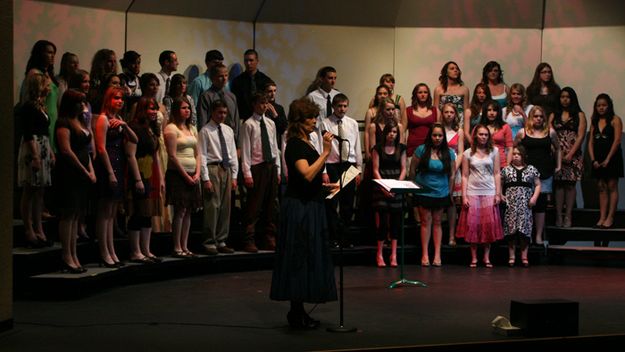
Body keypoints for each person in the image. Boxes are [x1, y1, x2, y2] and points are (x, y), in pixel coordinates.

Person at [270, 98, 338, 329]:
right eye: (310, 118)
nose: (314, 122)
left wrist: (328, 187)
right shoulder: (295, 145)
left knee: (307, 257)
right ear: (299, 121)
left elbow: (311, 180)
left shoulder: (307, 143)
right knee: (298, 257)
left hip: (311, 204)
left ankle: (299, 311)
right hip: (300, 208)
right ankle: (295, 312)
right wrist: (326, 153)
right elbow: (306, 174)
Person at [93, 86, 138, 267]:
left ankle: (111, 250)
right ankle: (104, 252)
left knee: (112, 213)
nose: (120, 101)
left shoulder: (118, 119)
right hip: (107, 167)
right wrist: (110, 172)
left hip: (119, 165)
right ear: (109, 99)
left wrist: (125, 125)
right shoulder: (103, 119)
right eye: (116, 98)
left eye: (121, 99)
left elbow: (135, 140)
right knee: (105, 212)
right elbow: (101, 148)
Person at [54, 89, 95, 273]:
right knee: (68, 214)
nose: (83, 105)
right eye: (79, 102)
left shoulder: (79, 121)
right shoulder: (63, 122)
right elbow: (66, 150)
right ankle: (66, 255)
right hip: (70, 172)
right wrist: (84, 171)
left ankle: (74, 254)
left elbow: (87, 150)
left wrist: (91, 170)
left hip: (83, 171)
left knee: (76, 214)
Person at [456, 125, 503, 267]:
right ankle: (474, 257)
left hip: (489, 191)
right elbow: (464, 175)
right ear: (475, 135)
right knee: (473, 226)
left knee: (487, 226)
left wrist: (498, 193)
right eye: (480, 134)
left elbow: (497, 173)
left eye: (485, 135)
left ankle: (486, 257)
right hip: (473, 192)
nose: (483, 137)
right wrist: (463, 196)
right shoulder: (468, 153)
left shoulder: (494, 151)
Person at [17, 72, 55, 248]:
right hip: (33, 147)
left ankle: (39, 228)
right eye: (46, 85)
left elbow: (45, 131)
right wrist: (34, 155)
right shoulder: (28, 108)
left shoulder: (42, 106)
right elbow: (28, 133)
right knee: (30, 189)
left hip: (44, 146)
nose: (49, 88)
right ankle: (29, 229)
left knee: (40, 191)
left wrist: (51, 153)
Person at [410, 123, 456, 267]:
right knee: (425, 221)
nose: (437, 138)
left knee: (437, 222)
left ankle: (437, 255)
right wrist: (412, 189)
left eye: (440, 135)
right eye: (434, 135)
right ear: (430, 136)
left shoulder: (449, 152)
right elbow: (412, 170)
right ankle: (425, 255)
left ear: (444, 137)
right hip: (423, 190)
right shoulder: (421, 150)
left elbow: (453, 174)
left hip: (441, 191)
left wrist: (449, 192)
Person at [240, 93, 281, 252]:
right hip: (257, 167)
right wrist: (247, 173)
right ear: (254, 105)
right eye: (261, 103)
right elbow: (246, 150)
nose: (264, 106)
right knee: (254, 205)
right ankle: (249, 238)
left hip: (271, 166)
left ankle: (269, 237)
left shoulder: (270, 123)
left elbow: (274, 146)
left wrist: (277, 168)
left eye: (266, 103)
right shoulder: (248, 124)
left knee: (272, 204)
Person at [126, 97, 164, 264]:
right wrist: (137, 179)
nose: (154, 111)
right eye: (151, 108)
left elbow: (156, 155)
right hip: (140, 172)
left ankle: (146, 250)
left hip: (151, 173)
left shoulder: (152, 128)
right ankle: (136, 251)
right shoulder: (135, 128)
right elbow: (130, 155)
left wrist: (161, 178)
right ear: (142, 110)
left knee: (147, 213)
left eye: (155, 108)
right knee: (138, 212)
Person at [321, 94, 362, 248]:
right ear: (333, 106)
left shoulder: (352, 123)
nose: (342, 109)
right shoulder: (325, 123)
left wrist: (358, 168)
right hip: (332, 165)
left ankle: (345, 237)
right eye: (339, 106)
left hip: (348, 165)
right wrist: (323, 170)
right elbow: (322, 148)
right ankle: (333, 238)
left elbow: (357, 145)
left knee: (348, 203)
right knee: (332, 202)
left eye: (345, 106)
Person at [515, 106, 561, 245]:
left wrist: (558, 165)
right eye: (536, 116)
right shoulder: (523, 132)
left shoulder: (550, 132)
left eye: (541, 116)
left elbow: (558, 148)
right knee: (525, 204)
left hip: (544, 173)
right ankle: (525, 234)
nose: (538, 119)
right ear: (531, 118)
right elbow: (514, 147)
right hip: (526, 173)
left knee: (540, 204)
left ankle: (539, 235)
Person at [198, 100, 238, 255]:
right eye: (219, 112)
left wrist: (234, 175)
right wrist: (205, 178)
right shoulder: (205, 131)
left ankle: (222, 240)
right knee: (212, 206)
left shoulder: (227, 130)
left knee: (225, 207)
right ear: (213, 112)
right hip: (213, 167)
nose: (222, 116)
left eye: (225, 113)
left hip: (225, 168)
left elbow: (233, 153)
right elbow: (202, 154)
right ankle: (209, 241)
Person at [164, 97, 202, 258]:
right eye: (183, 108)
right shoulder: (171, 129)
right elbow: (172, 156)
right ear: (175, 110)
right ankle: (177, 247)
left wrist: (197, 173)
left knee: (188, 211)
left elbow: (198, 153)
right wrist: (186, 176)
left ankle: (185, 246)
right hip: (178, 175)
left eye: (188, 108)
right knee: (180, 210)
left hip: (192, 174)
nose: (187, 110)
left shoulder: (192, 128)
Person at [550, 87, 587, 227]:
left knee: (570, 186)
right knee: (559, 186)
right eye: (562, 97)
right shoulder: (554, 114)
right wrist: (558, 152)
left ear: (572, 99)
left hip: (574, 155)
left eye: (568, 97)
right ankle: (559, 216)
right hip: (557, 154)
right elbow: (550, 133)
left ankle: (568, 216)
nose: (565, 99)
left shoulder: (579, 115)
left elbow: (581, 135)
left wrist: (571, 153)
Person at [372, 120, 406, 267]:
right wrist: (385, 187)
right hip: (382, 188)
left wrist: (397, 186)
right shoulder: (378, 148)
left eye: (394, 132)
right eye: (389, 132)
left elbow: (404, 168)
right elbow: (375, 169)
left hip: (396, 187)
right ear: (385, 133)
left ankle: (393, 255)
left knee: (396, 223)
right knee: (383, 224)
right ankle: (379, 254)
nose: (392, 134)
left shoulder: (401, 148)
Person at [588, 93, 623, 231]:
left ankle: (610, 217)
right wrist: (593, 160)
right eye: (598, 106)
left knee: (612, 186)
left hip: (612, 158)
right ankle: (602, 217)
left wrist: (608, 159)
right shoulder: (594, 121)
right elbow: (590, 142)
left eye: (604, 105)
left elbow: (617, 140)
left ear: (609, 106)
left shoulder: (615, 120)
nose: (601, 108)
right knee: (601, 187)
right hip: (598, 159)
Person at [501, 146, 540, 267]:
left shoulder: (531, 169)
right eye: (514, 154)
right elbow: (500, 184)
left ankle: (524, 256)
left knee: (525, 230)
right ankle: (512, 256)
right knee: (511, 231)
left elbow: (538, 185)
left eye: (518, 154)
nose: (516, 156)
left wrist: (534, 198)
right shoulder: (506, 170)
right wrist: (501, 195)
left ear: (523, 155)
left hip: (525, 206)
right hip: (511, 206)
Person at [197, 63, 240, 142]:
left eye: (226, 75)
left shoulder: (231, 96)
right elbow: (202, 121)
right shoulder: (206, 96)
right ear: (212, 78)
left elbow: (236, 121)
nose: (224, 79)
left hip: (231, 138)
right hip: (213, 138)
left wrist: (238, 143)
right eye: (220, 76)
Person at [441, 103, 464, 246]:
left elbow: (461, 152)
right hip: (439, 170)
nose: (449, 114)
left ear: (455, 114)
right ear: (442, 114)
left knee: (452, 204)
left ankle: (451, 236)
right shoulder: (438, 130)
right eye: (446, 112)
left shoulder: (459, 131)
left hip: (454, 169)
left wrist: (455, 168)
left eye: (451, 112)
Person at [230, 49, 273, 122]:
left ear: (257, 61)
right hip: (243, 118)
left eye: (251, 60)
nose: (248, 63)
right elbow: (234, 103)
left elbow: (271, 100)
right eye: (246, 60)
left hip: (263, 118)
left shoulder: (266, 80)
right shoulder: (238, 81)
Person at [406, 83, 439, 158]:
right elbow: (402, 131)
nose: (423, 94)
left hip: (431, 147)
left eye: (425, 92)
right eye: (420, 92)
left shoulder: (435, 110)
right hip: (412, 147)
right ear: (415, 94)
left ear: (428, 94)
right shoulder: (408, 110)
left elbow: (439, 131)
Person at [433, 61, 470, 126]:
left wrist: (464, 128)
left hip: (459, 125)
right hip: (443, 124)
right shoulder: (438, 90)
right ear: (446, 72)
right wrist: (437, 126)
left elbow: (466, 111)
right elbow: (436, 110)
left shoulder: (464, 89)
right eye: (452, 69)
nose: (455, 70)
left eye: (457, 69)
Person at [479, 100, 513, 168]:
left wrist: (508, 166)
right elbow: (473, 145)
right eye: (489, 110)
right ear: (485, 112)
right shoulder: (479, 127)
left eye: (494, 110)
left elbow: (510, 148)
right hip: (482, 164)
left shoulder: (505, 127)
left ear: (498, 112)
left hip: (501, 164)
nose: (492, 113)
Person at [364, 85, 391, 160]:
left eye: (385, 93)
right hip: (374, 145)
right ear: (376, 95)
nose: (382, 96)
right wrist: (366, 151)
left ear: (389, 95)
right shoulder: (371, 111)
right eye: (380, 93)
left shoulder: (391, 111)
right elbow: (366, 132)